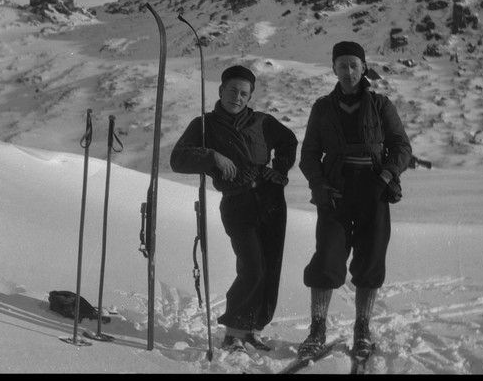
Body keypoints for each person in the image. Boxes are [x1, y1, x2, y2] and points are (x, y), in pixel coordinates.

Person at [170, 64, 298, 353]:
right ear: (221, 90)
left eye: (243, 93)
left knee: (269, 266)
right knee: (252, 266)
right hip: (237, 202)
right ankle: (233, 331)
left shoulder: (263, 122)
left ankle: (252, 329)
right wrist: (212, 156)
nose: (237, 97)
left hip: (270, 199)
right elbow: (177, 159)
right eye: (232, 90)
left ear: (250, 97)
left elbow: (288, 141)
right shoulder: (204, 125)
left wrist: (279, 168)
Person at [296, 41, 411, 360]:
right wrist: (318, 184)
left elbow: (401, 147)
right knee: (327, 257)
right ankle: (317, 330)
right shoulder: (322, 107)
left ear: (364, 68)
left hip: (373, 190)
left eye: (354, 65)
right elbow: (309, 154)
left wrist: (385, 177)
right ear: (334, 69)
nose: (348, 72)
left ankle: (362, 329)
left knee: (370, 258)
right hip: (335, 191)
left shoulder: (381, 105)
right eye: (342, 66)